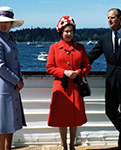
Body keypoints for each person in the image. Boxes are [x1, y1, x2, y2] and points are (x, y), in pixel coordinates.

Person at [88, 8, 121, 150]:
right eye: (108, 18)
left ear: (120, 18)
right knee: (110, 110)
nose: (110, 20)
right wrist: (77, 65)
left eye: (113, 17)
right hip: (111, 80)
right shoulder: (104, 38)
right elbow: (91, 56)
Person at [46, 16, 91, 150]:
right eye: (66, 31)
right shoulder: (54, 48)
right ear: (61, 32)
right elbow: (49, 67)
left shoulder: (80, 48)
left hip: (76, 87)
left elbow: (87, 67)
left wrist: (77, 72)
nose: (69, 34)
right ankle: (64, 145)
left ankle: (72, 145)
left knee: (74, 117)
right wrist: (64, 72)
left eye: (71, 31)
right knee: (62, 118)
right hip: (61, 88)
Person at [0, 6, 26, 150]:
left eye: (7, 21)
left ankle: (8, 148)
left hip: (12, 86)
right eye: (1, 21)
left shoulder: (11, 39)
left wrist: (20, 79)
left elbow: (16, 62)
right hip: (1, 87)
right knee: (1, 123)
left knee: (10, 121)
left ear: (11, 23)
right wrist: (17, 81)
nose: (3, 24)